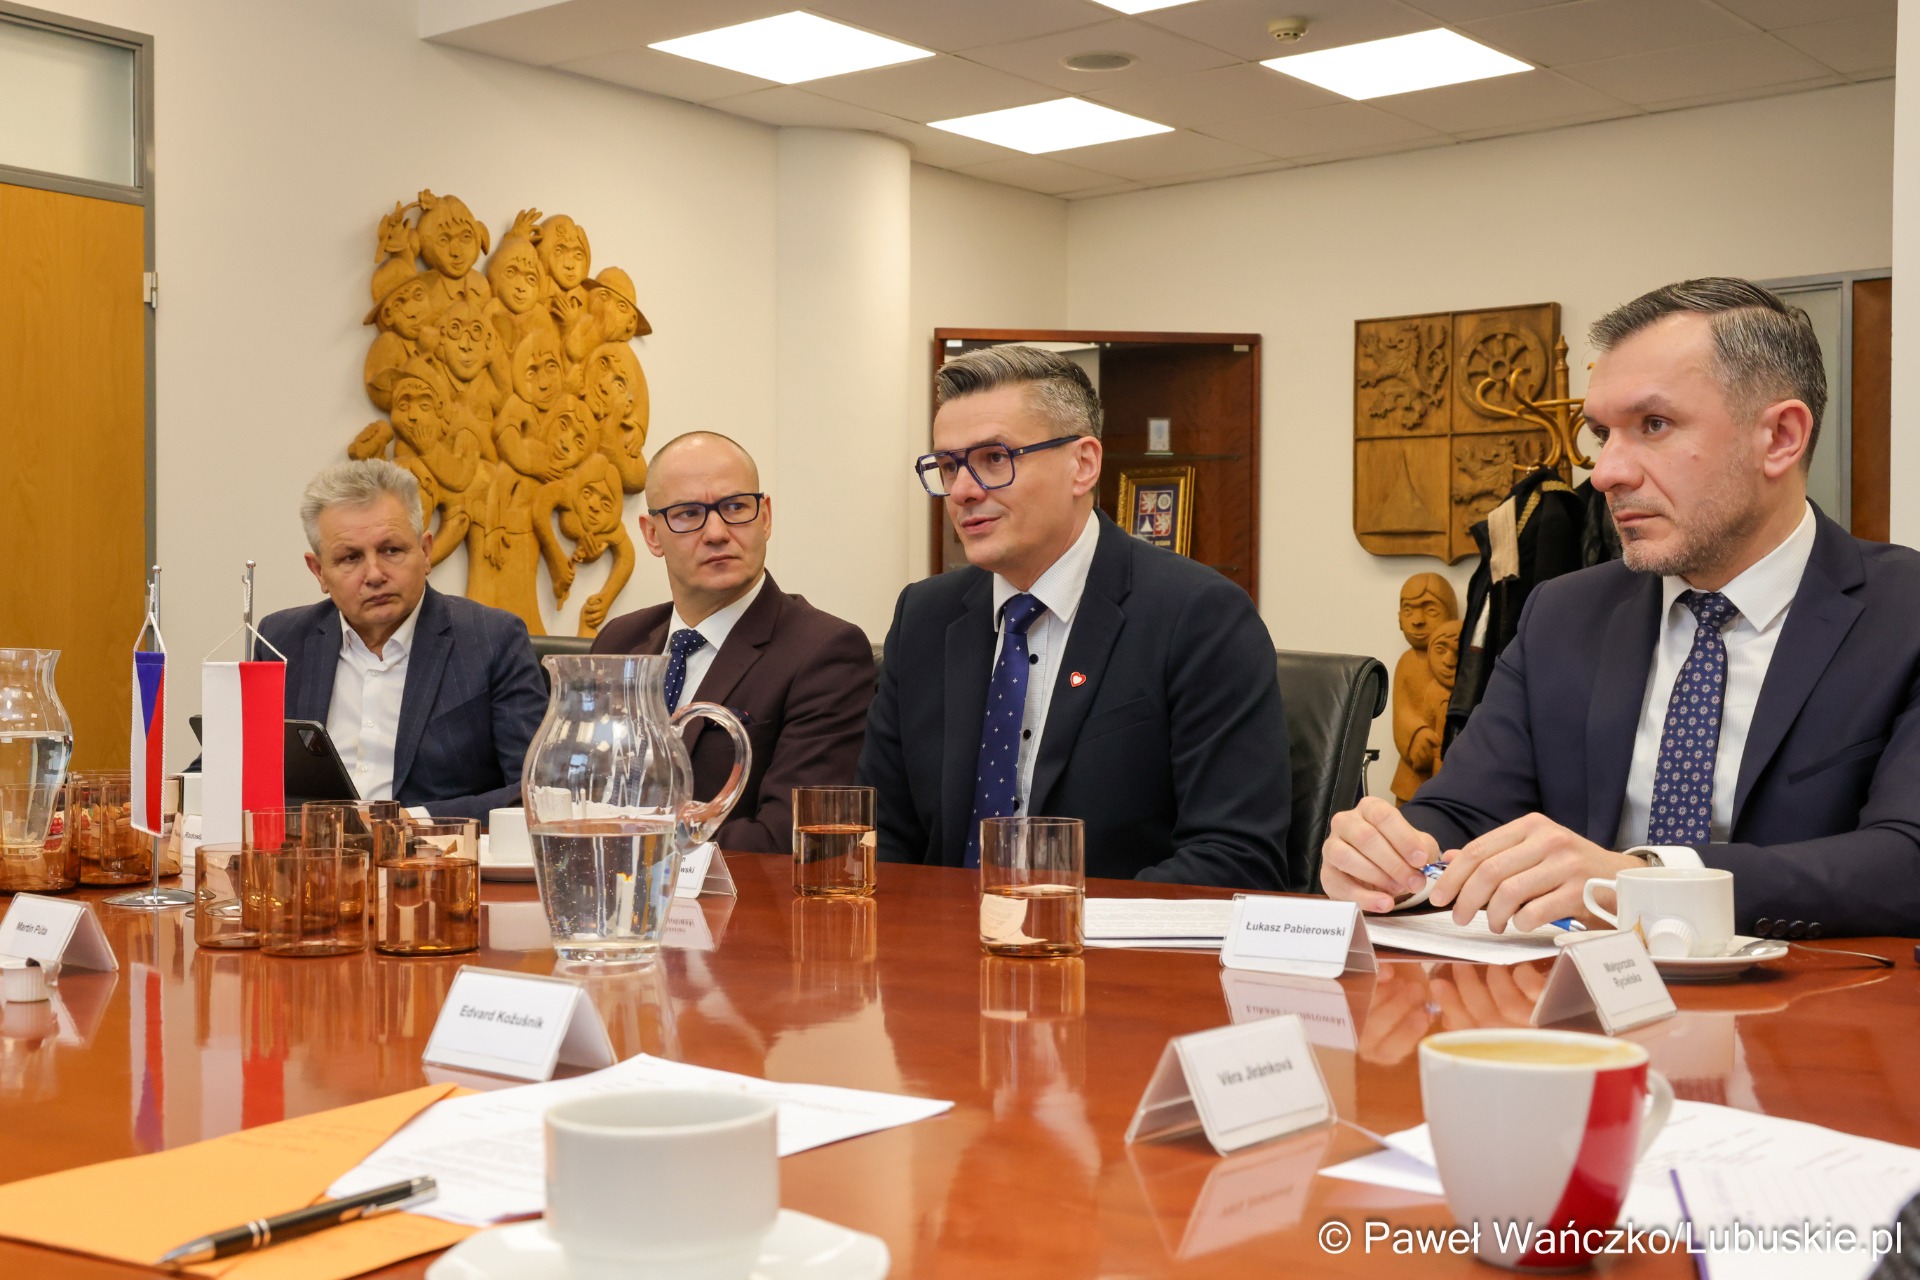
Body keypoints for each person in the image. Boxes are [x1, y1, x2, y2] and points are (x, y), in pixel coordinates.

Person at [1321, 278, 1920, 938]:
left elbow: (1906, 861)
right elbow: (1465, 814)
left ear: (1780, 437)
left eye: (1653, 426)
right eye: (1603, 433)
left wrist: (1639, 881)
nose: (1605, 473)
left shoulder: (1904, 614)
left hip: (1817, 994)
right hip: (1569, 996)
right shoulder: (1563, 614)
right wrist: (1389, 856)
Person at [859, 345, 1293, 889]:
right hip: (939, 935)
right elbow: (881, 836)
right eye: (948, 466)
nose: (963, 491)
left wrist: (1060, 922)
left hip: (1107, 938)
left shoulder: (1199, 616)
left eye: (994, 458)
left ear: (1082, 465)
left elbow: (1237, 857)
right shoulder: (924, 617)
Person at [591, 432, 875, 853]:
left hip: (734, 893)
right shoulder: (619, 640)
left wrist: (626, 836)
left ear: (765, 517)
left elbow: (787, 839)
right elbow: (569, 792)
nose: (717, 532)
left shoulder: (826, 652)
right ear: (652, 535)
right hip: (601, 888)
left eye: (736, 507)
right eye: (688, 514)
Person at [260, 459, 547, 820]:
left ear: (425, 552)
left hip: (435, 851)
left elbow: (538, 790)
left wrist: (412, 821)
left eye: (391, 550)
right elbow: (223, 769)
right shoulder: (281, 640)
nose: (374, 574)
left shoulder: (493, 640)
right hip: (311, 850)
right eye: (350, 558)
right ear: (319, 571)